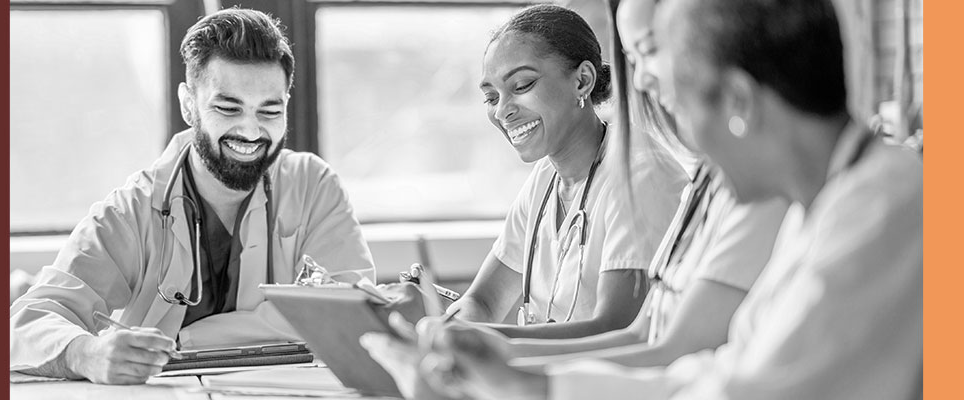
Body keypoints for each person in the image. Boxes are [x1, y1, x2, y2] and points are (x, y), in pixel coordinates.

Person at [365, 0, 922, 398]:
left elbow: (747, 388)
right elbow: (714, 371)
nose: (689, 155)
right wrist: (520, 376)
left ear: (738, 102)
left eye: (681, 104)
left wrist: (525, 381)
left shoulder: (883, 212)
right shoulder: (822, 204)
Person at [8, 8, 376, 385]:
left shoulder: (313, 186)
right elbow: (27, 321)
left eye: (270, 110)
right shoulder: (133, 209)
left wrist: (185, 340)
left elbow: (352, 318)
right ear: (188, 105)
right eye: (227, 108)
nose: (251, 131)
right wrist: (87, 354)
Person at [442, 4, 685, 341]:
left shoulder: (641, 175)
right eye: (490, 96)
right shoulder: (544, 179)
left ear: (582, 81)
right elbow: (483, 300)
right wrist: (448, 328)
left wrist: (485, 343)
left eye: (522, 85)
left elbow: (615, 330)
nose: (503, 110)